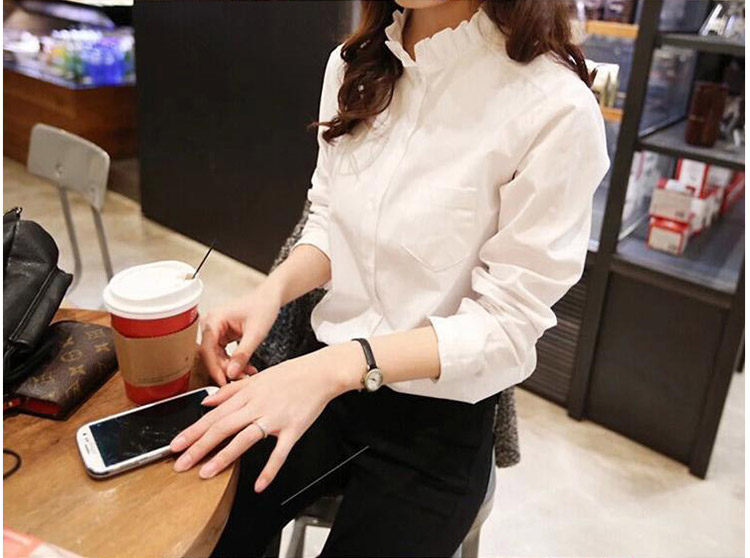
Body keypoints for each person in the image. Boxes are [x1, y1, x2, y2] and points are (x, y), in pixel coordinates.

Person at [170, 0, 610, 555]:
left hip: (436, 423)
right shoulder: (352, 65)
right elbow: (331, 220)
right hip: (325, 378)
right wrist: (272, 292)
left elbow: (506, 327)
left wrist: (338, 366)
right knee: (189, 521)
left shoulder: (554, 107)